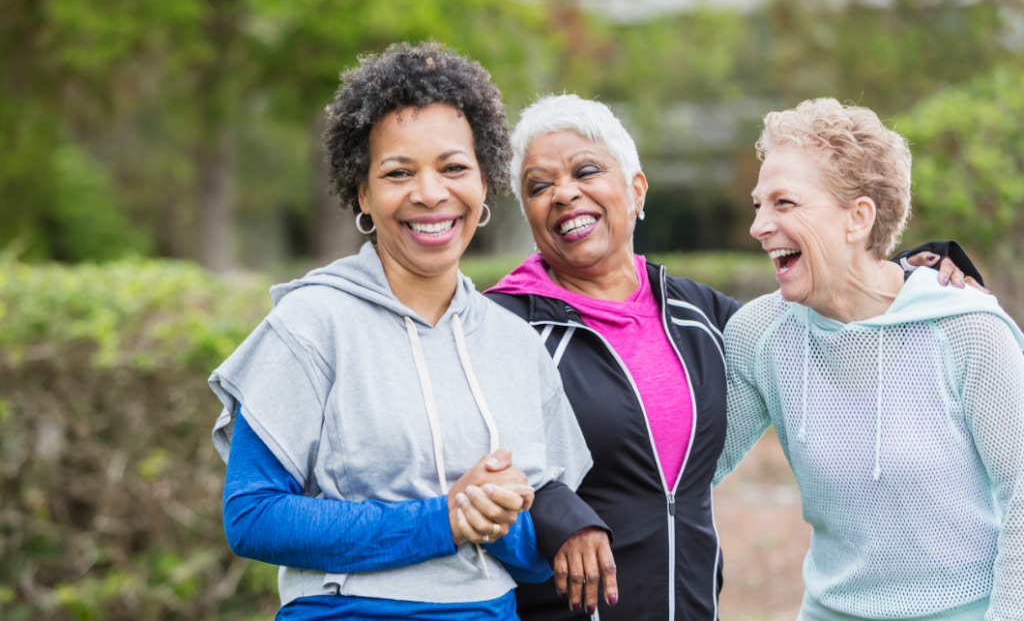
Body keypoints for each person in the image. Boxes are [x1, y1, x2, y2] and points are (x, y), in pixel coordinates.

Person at [483, 94, 979, 621]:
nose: (563, 193)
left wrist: (910, 271)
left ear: (636, 190)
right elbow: (464, 452)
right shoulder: (499, 325)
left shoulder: (699, 315)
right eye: (538, 186)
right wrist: (556, 508)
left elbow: (822, 321)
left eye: (586, 170)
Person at [207, 43, 595, 620]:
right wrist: (444, 519)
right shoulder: (312, 322)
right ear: (363, 192)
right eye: (398, 173)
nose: (431, 194)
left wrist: (501, 518)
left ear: (485, 181)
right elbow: (253, 517)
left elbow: (534, 554)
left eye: (453, 167)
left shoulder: (515, 344)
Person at [715, 98, 1024, 621]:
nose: (758, 226)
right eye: (758, 205)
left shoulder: (967, 330)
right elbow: (686, 470)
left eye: (784, 203)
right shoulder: (759, 333)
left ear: (857, 218)